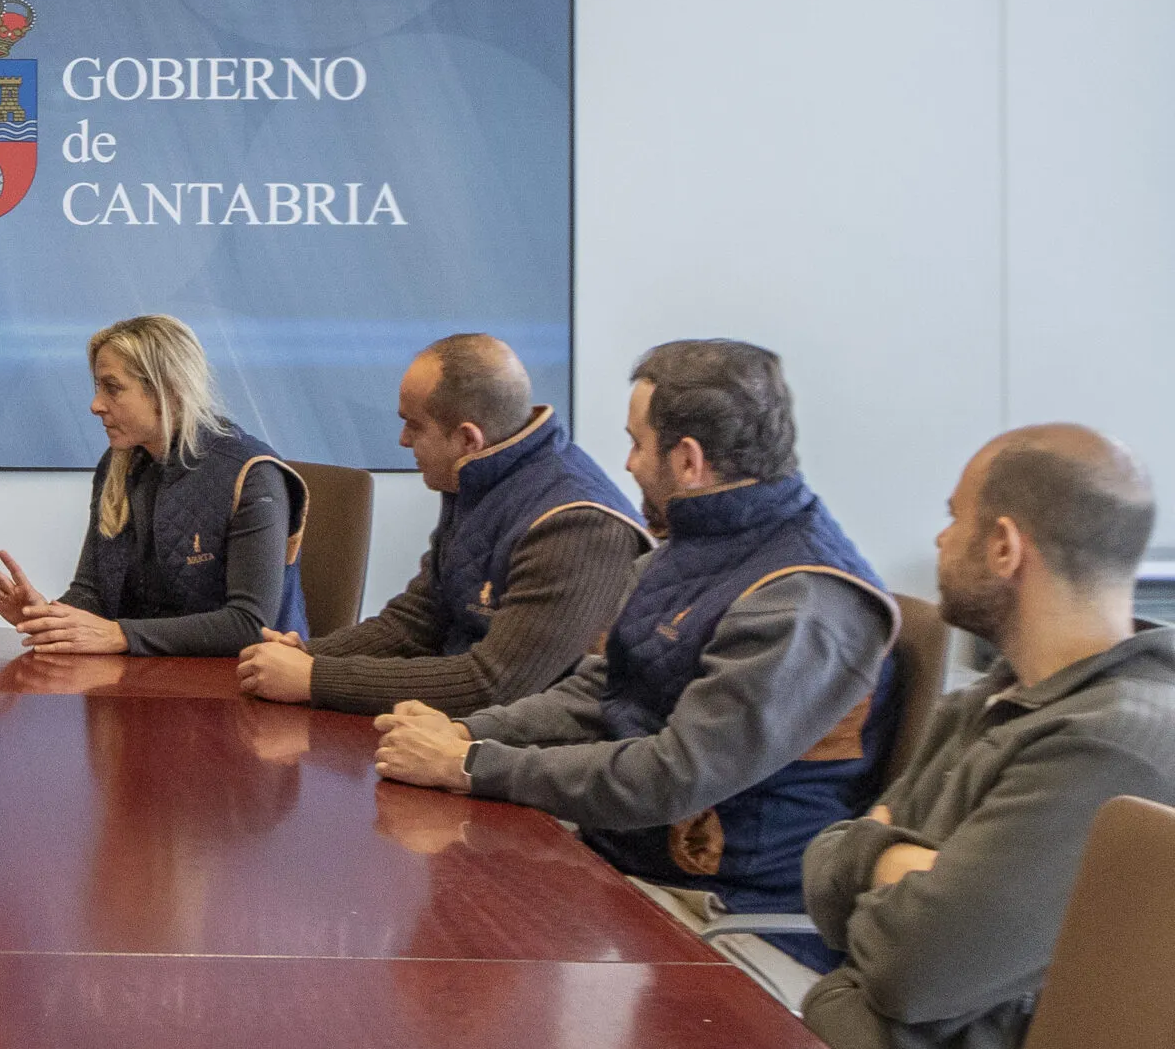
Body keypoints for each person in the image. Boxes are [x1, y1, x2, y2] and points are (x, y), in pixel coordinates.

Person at [372, 340, 899, 942]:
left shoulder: (802, 604)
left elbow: (673, 776)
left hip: (719, 912)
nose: (626, 465)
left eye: (637, 443)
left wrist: (472, 765)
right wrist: (469, 733)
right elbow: (602, 690)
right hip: (622, 859)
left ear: (688, 460)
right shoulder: (694, 546)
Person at [801, 426, 1175, 1049]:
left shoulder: (1113, 745)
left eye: (954, 518)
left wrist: (877, 857)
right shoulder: (988, 699)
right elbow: (826, 866)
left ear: (1004, 546)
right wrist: (895, 862)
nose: (940, 540)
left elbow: (915, 971)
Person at [237, 333, 648, 714]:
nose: (403, 440)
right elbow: (416, 622)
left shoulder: (578, 525)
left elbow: (495, 684)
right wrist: (306, 653)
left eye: (414, 425)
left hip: (522, 745)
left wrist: (315, 677)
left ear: (469, 439)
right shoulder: (476, 477)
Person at [0, 314, 310, 657]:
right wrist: (47, 617)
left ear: (169, 391)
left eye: (112, 388)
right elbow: (92, 592)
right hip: (145, 673)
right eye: (97, 387)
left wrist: (122, 635)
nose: (95, 405)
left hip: (242, 678)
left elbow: (249, 625)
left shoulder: (252, 474)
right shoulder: (118, 464)